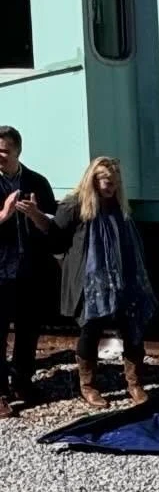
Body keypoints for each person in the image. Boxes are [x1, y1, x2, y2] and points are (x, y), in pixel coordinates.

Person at [31, 158, 157, 409]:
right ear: (93, 180)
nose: (112, 188)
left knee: (132, 327)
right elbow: (56, 240)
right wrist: (35, 214)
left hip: (123, 278)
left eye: (116, 183)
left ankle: (134, 383)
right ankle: (88, 386)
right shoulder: (74, 205)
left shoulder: (118, 205)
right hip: (92, 283)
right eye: (107, 183)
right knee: (91, 330)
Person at [0, 126, 57, 416]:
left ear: (18, 152)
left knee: (28, 332)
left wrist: (36, 215)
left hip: (30, 272)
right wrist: (4, 214)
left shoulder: (37, 182)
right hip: (0, 271)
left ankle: (23, 381)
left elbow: (53, 228)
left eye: (4, 151)